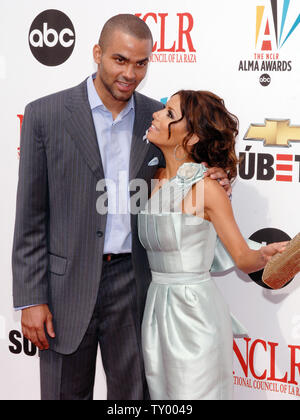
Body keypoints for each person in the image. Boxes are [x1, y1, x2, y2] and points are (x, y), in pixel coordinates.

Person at [12, 15, 230, 400]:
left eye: (141, 63)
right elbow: (31, 215)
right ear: (97, 54)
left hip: (134, 283)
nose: (130, 73)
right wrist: (32, 297)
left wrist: (216, 176)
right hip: (66, 286)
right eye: (120, 60)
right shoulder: (45, 115)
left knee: (133, 398)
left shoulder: (157, 120)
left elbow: (190, 164)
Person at [138, 90, 287, 400]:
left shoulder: (208, 187)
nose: (156, 115)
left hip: (195, 316)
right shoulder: (152, 176)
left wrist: (266, 253)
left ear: (191, 138)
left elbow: (243, 259)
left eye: (169, 114)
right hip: (155, 313)